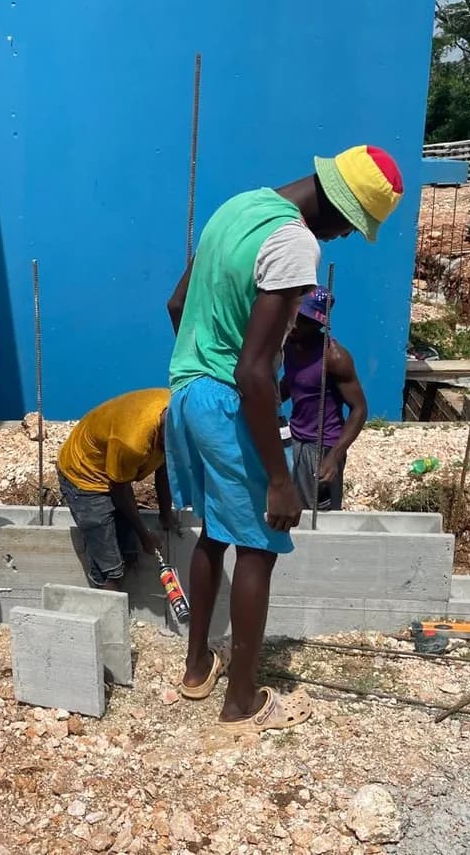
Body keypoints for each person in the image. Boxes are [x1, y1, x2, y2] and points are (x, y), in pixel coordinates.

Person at [165, 145, 403, 731]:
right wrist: (278, 478)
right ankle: (242, 701)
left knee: (215, 534)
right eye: (352, 226)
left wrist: (206, 364)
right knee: (261, 545)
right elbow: (252, 371)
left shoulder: (237, 206)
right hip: (227, 398)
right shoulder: (297, 243)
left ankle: (198, 670)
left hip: (187, 392)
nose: (346, 238)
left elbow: (178, 304)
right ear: (339, 208)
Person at [56, 389, 176, 590]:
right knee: (111, 568)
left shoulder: (174, 415)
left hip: (113, 467)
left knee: (127, 552)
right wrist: (145, 535)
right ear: (163, 434)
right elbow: (119, 489)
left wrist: (166, 515)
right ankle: (102, 609)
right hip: (84, 474)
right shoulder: (132, 443)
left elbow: (163, 468)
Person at [278, 287, 368, 511]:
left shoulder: (334, 357)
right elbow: (292, 381)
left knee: (320, 515)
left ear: (319, 324)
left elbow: (359, 409)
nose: (297, 324)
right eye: (295, 316)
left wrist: (335, 456)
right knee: (291, 509)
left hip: (322, 446)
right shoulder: (289, 345)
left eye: (305, 320)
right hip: (295, 438)